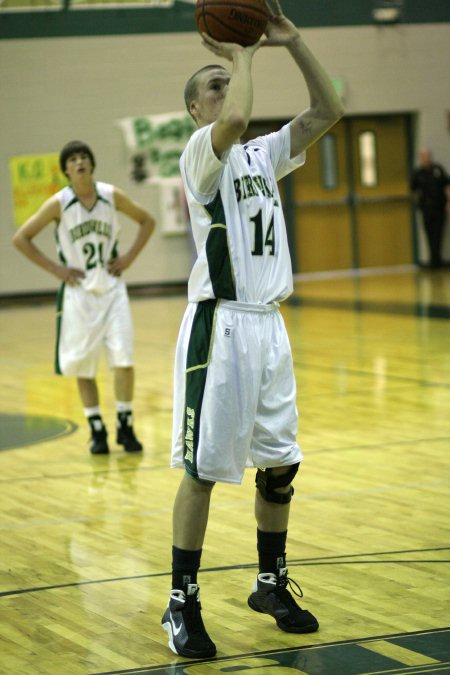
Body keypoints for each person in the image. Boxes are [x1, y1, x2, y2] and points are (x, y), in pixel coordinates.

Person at [161, 0, 344, 660]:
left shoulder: (263, 156)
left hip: (270, 327)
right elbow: (235, 114)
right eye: (213, 82)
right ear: (195, 109)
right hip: (221, 328)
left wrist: (291, 41)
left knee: (280, 463)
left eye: (226, 75)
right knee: (204, 471)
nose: (225, 85)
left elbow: (329, 110)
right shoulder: (198, 154)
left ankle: (269, 581)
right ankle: (180, 600)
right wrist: (242, 53)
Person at [13, 140, 155, 455]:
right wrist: (55, 269)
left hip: (112, 289)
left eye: (84, 157)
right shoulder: (58, 204)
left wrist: (129, 257)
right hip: (78, 294)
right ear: (66, 170)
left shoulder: (110, 195)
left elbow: (148, 220)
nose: (79, 162)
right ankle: (96, 429)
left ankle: (125, 424)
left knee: (124, 360)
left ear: (91, 164)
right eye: (73, 159)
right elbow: (20, 238)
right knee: (82, 366)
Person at [411, 148, 450, 269]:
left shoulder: (438, 169)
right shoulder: (418, 173)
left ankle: (437, 260)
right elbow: (413, 190)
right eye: (423, 156)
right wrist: (418, 200)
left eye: (427, 155)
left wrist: (449, 201)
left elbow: (447, 185)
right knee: (429, 234)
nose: (426, 158)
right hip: (426, 208)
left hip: (439, 207)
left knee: (438, 234)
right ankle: (433, 261)